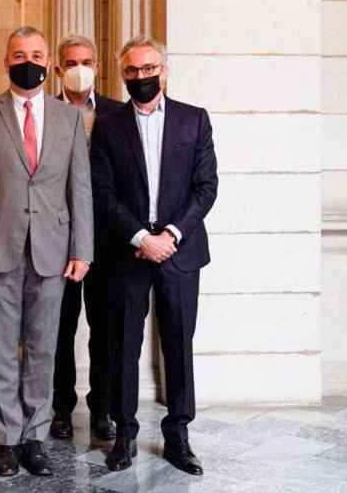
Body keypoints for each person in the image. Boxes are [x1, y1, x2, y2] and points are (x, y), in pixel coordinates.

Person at [0, 26, 93, 478]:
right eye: (19, 54)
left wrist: (83, 249)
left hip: (53, 252)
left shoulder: (68, 117)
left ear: (48, 62)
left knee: (42, 348)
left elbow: (80, 189)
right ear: (6, 62)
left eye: (36, 53)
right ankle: (8, 438)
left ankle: (35, 436)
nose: (27, 61)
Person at [90, 36, 217, 475]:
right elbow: (102, 193)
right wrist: (141, 237)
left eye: (148, 69)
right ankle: (124, 435)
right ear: (121, 73)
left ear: (163, 70)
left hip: (180, 253)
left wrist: (172, 235)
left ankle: (178, 436)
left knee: (179, 343)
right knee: (123, 345)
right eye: (131, 71)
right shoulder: (107, 124)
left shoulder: (193, 120)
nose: (140, 77)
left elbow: (206, 187)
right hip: (127, 253)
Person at [49, 35, 121, 443]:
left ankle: (102, 409)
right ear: (58, 69)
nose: (80, 68)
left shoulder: (115, 113)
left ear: (97, 66)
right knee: (60, 328)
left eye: (87, 61)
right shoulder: (45, 111)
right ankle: (61, 408)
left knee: (105, 329)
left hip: (107, 239)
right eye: (72, 62)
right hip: (58, 238)